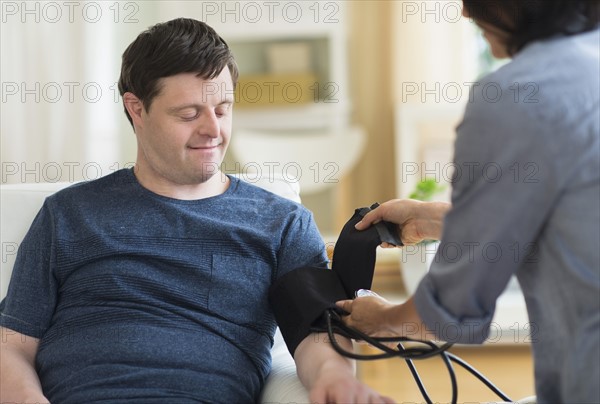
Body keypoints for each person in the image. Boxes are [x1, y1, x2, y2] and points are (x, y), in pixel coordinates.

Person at [0, 18, 393, 404]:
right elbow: (12, 345)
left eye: (223, 109)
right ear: (136, 109)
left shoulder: (282, 223)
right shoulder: (67, 214)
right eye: (189, 114)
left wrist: (335, 376)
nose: (213, 130)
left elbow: (315, 333)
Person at [337, 1, 600, 403]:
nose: (464, 13)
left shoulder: (515, 97)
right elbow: (573, 217)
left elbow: (452, 308)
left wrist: (383, 320)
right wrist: (437, 219)